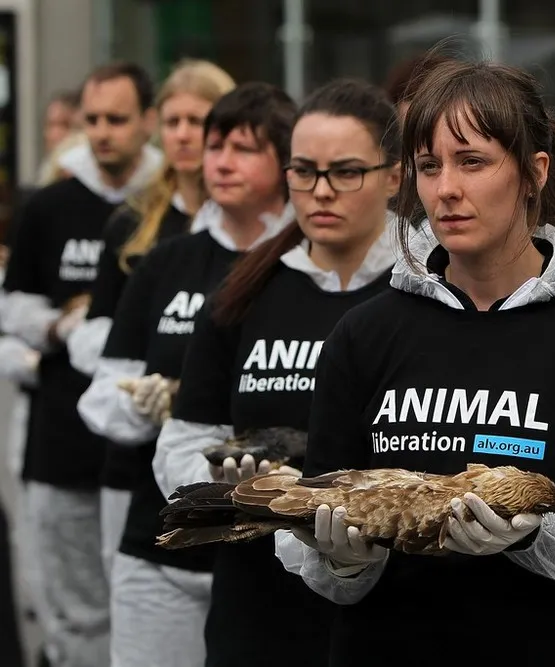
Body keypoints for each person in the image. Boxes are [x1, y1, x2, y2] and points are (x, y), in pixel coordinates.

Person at [275, 58, 555, 667]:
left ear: (534, 173)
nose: (446, 188)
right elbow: (326, 532)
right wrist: (340, 557)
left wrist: (538, 532)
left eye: (473, 161)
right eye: (428, 166)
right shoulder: (366, 333)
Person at [153, 78, 398, 667]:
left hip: (393, 608)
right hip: (256, 604)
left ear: (394, 176)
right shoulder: (243, 294)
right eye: (303, 171)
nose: (320, 192)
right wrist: (231, 489)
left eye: (345, 172)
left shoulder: (430, 293)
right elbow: (182, 439)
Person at [76, 81, 294, 667]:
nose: (220, 161)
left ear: (286, 162)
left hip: (271, 552)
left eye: (244, 149)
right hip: (160, 543)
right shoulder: (169, 260)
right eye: (215, 144)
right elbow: (99, 396)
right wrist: (141, 403)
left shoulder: (303, 267)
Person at [0, 60, 160, 667]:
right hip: (61, 436)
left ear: (147, 121)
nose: (100, 132)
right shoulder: (50, 204)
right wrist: (62, 324)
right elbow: (14, 305)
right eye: (91, 119)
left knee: (140, 608)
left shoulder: (164, 205)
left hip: (141, 450)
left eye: (116, 119)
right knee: (71, 612)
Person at [70, 58, 236, 585]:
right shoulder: (136, 222)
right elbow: (95, 333)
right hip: (135, 459)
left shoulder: (250, 226)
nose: (185, 135)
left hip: (226, 458)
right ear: (156, 128)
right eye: (173, 122)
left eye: (199, 120)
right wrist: (138, 385)